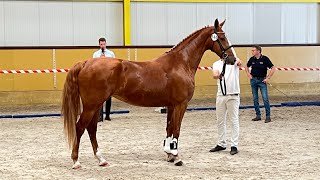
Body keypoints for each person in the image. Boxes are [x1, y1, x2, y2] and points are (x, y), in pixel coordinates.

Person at [209, 58, 242, 155]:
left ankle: (234, 145)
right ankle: (221, 143)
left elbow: (240, 63)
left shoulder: (234, 60)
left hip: (233, 95)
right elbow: (214, 74)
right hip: (221, 95)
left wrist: (237, 61)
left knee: (234, 120)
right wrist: (218, 76)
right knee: (220, 120)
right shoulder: (216, 63)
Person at [245, 45, 275, 123]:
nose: (252, 52)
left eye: (253, 50)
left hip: (262, 81)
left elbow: (273, 68)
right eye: (252, 50)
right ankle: (258, 115)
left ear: (258, 51)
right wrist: (248, 73)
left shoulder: (265, 59)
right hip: (253, 80)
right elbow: (246, 66)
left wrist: (268, 78)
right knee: (255, 98)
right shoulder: (252, 59)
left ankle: (268, 116)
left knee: (265, 98)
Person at [93, 37, 115, 122]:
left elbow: (114, 65)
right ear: (99, 44)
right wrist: (100, 59)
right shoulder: (95, 54)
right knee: (100, 98)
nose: (103, 45)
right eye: (101, 44)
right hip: (99, 78)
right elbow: (93, 66)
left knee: (109, 97)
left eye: (104, 44)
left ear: (106, 44)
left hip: (109, 78)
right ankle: (100, 116)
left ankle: (108, 115)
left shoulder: (111, 53)